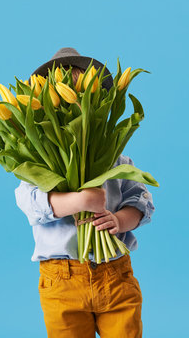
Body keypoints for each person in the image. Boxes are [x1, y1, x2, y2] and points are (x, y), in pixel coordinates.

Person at [14, 48, 156, 338]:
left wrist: (120, 221)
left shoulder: (113, 156)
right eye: (65, 95)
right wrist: (78, 201)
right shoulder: (38, 161)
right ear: (43, 103)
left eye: (83, 96)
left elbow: (140, 201)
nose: (74, 105)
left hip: (115, 273)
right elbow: (30, 203)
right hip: (62, 279)